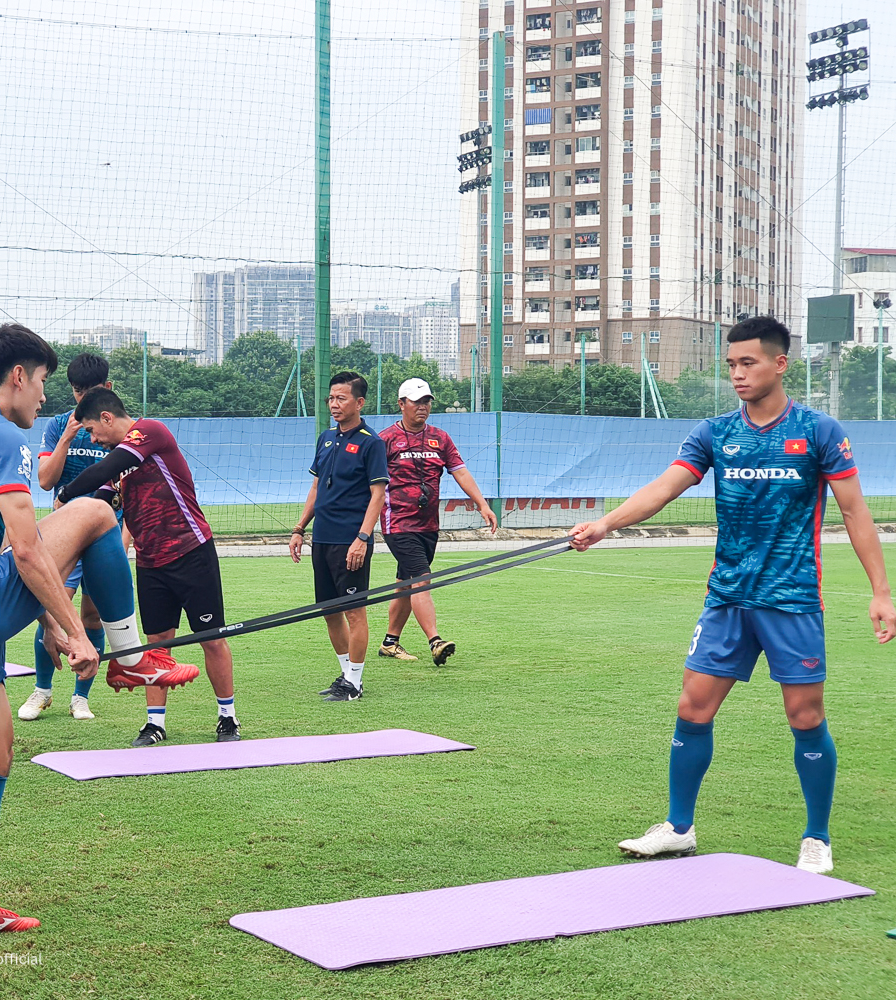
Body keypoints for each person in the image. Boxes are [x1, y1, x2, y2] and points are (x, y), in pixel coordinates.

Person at [0, 323, 195, 940]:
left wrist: (52, 623)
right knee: (94, 511)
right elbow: (29, 552)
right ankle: (127, 655)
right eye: (41, 382)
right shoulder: (1, 432)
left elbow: (5, 549)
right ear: (17, 376)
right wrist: (75, 633)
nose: (43, 398)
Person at [571, 316, 895, 875]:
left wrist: (881, 592)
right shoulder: (715, 432)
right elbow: (665, 487)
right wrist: (607, 524)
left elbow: (854, 511)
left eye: (749, 363)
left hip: (792, 600)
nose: (738, 374)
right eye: (731, 365)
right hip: (727, 598)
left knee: (805, 715)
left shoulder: (817, 430)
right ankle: (678, 827)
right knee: (691, 708)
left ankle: (816, 837)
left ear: (780, 364)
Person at [58, 387, 240, 746]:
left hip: (191, 551)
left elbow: (105, 469)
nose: (94, 438)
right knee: (157, 646)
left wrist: (64, 496)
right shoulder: (117, 459)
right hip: (150, 562)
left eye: (93, 430)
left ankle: (227, 717)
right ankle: (155, 724)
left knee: (212, 639)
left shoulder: (149, 432)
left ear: (108, 418)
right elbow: (102, 502)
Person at [18, 353, 118, 723]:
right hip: (64, 538)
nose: (82, 399)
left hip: (105, 537)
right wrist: (67, 437)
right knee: (52, 609)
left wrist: (123, 536)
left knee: (92, 616)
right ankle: (42, 691)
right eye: (77, 392)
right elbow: (45, 480)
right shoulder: (58, 424)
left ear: (107, 389)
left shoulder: (116, 427)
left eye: (89, 392)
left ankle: (80, 697)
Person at [377, 378, 498, 665]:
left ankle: (390, 643)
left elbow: (461, 472)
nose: (423, 407)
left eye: (427, 401)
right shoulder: (384, 440)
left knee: (404, 583)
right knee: (421, 578)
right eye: (417, 401)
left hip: (429, 525)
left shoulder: (440, 438)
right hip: (398, 524)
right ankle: (435, 641)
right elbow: (370, 484)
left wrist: (482, 504)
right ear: (401, 404)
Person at [288, 371, 388, 702]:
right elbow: (316, 487)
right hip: (323, 539)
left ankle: (355, 683)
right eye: (331, 398)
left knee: (354, 611)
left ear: (359, 402)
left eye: (341, 398)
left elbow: (378, 496)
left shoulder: (371, 442)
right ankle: (346, 676)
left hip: (351, 541)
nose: (334, 404)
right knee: (330, 611)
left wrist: (363, 537)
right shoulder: (326, 438)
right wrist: (300, 528)